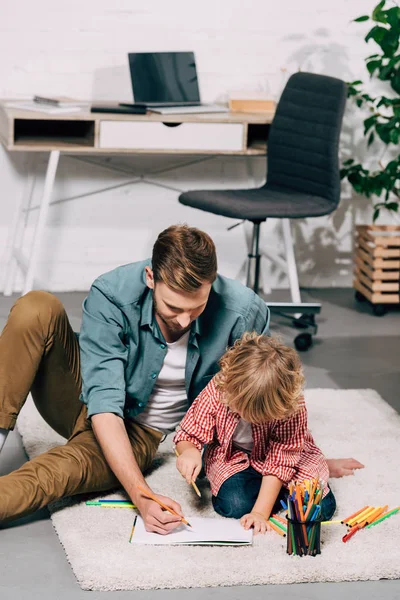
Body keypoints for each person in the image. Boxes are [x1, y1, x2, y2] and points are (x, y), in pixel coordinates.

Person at [0, 224, 363, 532]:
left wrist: (307, 461)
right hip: (82, 393)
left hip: (136, 429)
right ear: (150, 277)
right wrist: (142, 495)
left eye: (197, 307)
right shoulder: (112, 294)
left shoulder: (244, 312)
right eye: (173, 307)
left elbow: (263, 401)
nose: (185, 321)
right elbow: (104, 402)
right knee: (37, 307)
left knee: (52, 475)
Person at [174, 333, 337, 535]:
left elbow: (281, 461)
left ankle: (274, 492)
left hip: (284, 462)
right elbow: (189, 433)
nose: (249, 420)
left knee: (318, 509)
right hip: (233, 458)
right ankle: (276, 495)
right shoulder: (219, 388)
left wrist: (260, 513)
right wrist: (189, 451)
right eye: (241, 411)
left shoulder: (292, 405)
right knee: (235, 505)